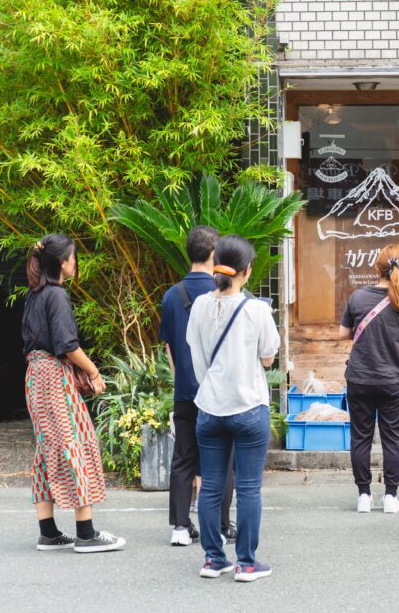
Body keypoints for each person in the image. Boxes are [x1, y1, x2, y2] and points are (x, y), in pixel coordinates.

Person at [21, 234, 125, 553]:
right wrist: (93, 372)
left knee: (47, 448)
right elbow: (67, 346)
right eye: (73, 257)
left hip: (35, 377)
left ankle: (49, 533)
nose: (76, 263)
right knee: (76, 442)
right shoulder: (56, 295)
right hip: (54, 377)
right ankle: (86, 533)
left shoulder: (34, 295)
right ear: (63, 263)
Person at [187, 235, 280, 582]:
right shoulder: (256, 310)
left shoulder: (198, 306)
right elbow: (269, 358)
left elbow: (196, 358)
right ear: (247, 271)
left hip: (209, 407)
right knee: (249, 488)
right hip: (248, 407)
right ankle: (246, 563)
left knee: (210, 486)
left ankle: (213, 560)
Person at [160, 226, 237, 547]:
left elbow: (168, 347)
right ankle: (220, 525)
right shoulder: (223, 293)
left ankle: (180, 527)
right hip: (217, 393)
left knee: (183, 458)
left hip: (185, 391)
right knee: (222, 458)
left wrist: (182, 379)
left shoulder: (171, 295)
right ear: (212, 255)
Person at [339, 243, 399, 515]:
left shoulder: (358, 297)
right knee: (392, 437)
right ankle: (391, 496)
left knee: (360, 436)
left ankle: (363, 495)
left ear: (377, 267)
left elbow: (342, 334)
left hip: (360, 377)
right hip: (393, 379)